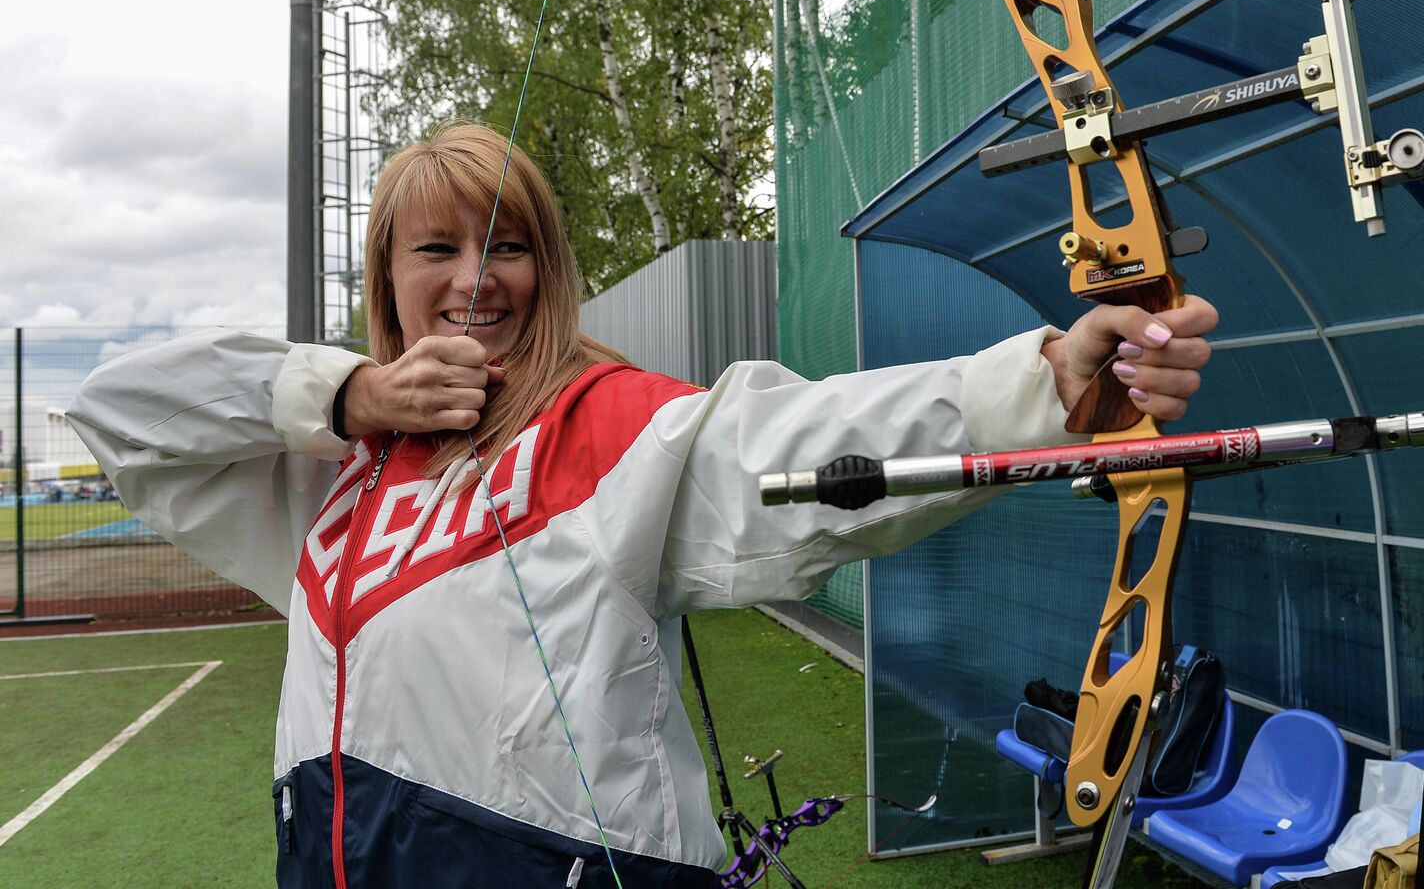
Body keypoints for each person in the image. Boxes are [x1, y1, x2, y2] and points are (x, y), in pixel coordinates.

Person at [66, 120, 1217, 888]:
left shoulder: (609, 425)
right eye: (438, 248)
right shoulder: (325, 475)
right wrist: (351, 394)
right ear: (388, 278)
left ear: (548, 270)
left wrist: (1045, 382)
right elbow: (121, 409)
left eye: (508, 246)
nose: (476, 279)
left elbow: (799, 445)